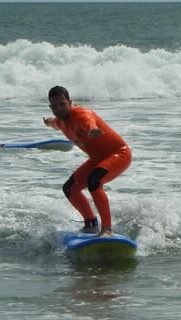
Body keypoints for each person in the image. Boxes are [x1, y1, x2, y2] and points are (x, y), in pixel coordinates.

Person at [43, 86, 131, 237]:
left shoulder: (82, 115)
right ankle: (90, 224)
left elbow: (89, 122)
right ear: (51, 107)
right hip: (97, 159)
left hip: (119, 154)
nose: (59, 109)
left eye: (62, 104)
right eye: (55, 106)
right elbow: (54, 123)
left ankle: (107, 229)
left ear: (70, 102)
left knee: (94, 181)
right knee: (70, 188)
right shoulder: (60, 121)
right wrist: (48, 122)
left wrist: (92, 129)